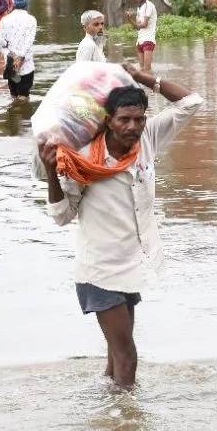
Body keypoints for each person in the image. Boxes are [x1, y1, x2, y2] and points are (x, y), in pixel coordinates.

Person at [39, 67, 206, 389]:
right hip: (99, 272)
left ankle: (108, 414)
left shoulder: (147, 141)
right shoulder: (84, 158)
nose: (132, 127)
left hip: (132, 266)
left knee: (116, 357)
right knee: (128, 356)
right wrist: (50, 173)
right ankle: (127, 424)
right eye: (123, 120)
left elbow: (192, 102)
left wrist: (144, 78)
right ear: (107, 121)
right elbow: (62, 216)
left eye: (139, 119)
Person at [0, 0, 37, 100]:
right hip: (26, 64)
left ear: (13, 2)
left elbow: (0, 42)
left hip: (10, 64)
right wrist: (20, 57)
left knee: (14, 96)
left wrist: (12, 56)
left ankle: (14, 116)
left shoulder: (5, 20)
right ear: (27, 3)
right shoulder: (31, 20)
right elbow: (29, 41)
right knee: (24, 98)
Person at [125, 0, 157, 76]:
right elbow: (138, 27)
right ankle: (145, 90)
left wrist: (135, 23)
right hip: (140, 40)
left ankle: (152, 89)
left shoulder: (148, 5)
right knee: (142, 70)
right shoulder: (140, 8)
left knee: (147, 70)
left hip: (148, 40)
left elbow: (144, 24)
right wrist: (129, 19)